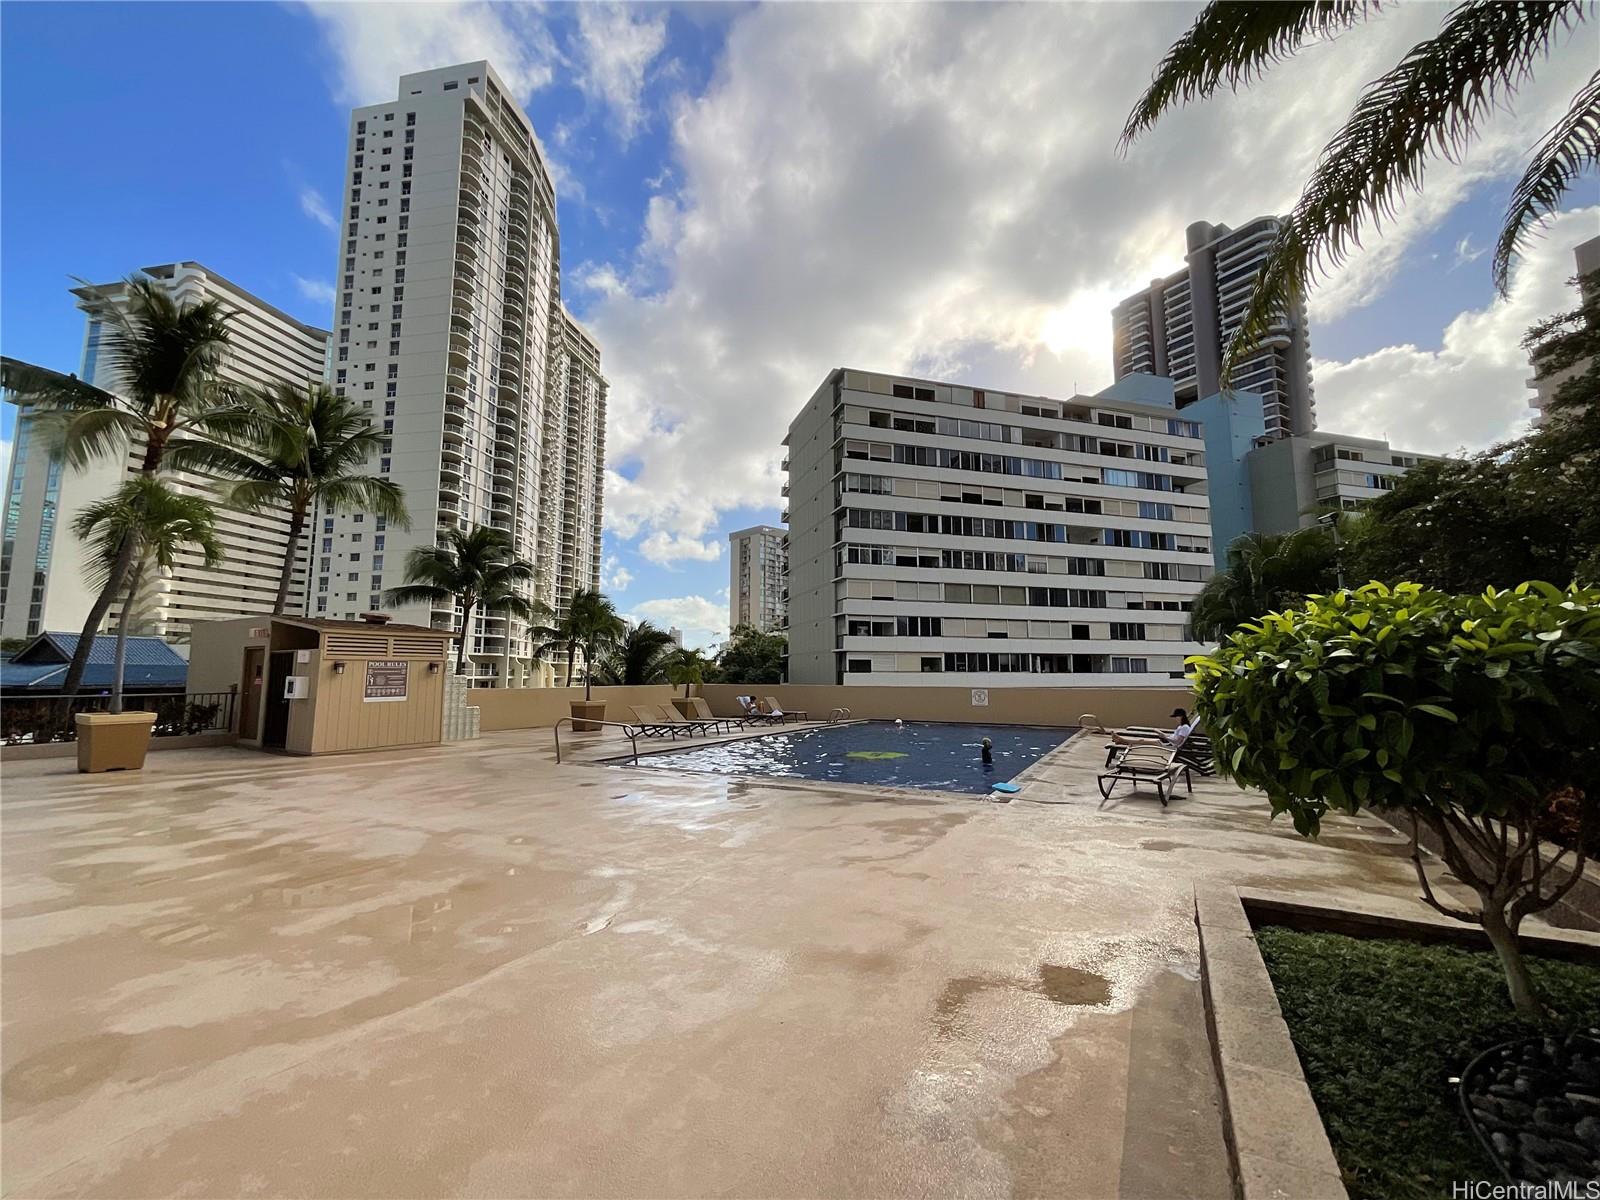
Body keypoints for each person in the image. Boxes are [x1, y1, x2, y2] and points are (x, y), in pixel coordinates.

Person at [1111, 708, 1196, 750]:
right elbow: (1175, 739)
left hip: (1171, 748)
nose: (1176, 719)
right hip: (1169, 745)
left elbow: (1178, 742)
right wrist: (1164, 736)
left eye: (1177, 717)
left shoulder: (1184, 728)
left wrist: (1165, 737)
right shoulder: (1182, 727)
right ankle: (1122, 740)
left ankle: (1122, 740)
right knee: (1142, 741)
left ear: (1181, 717)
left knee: (1142, 742)